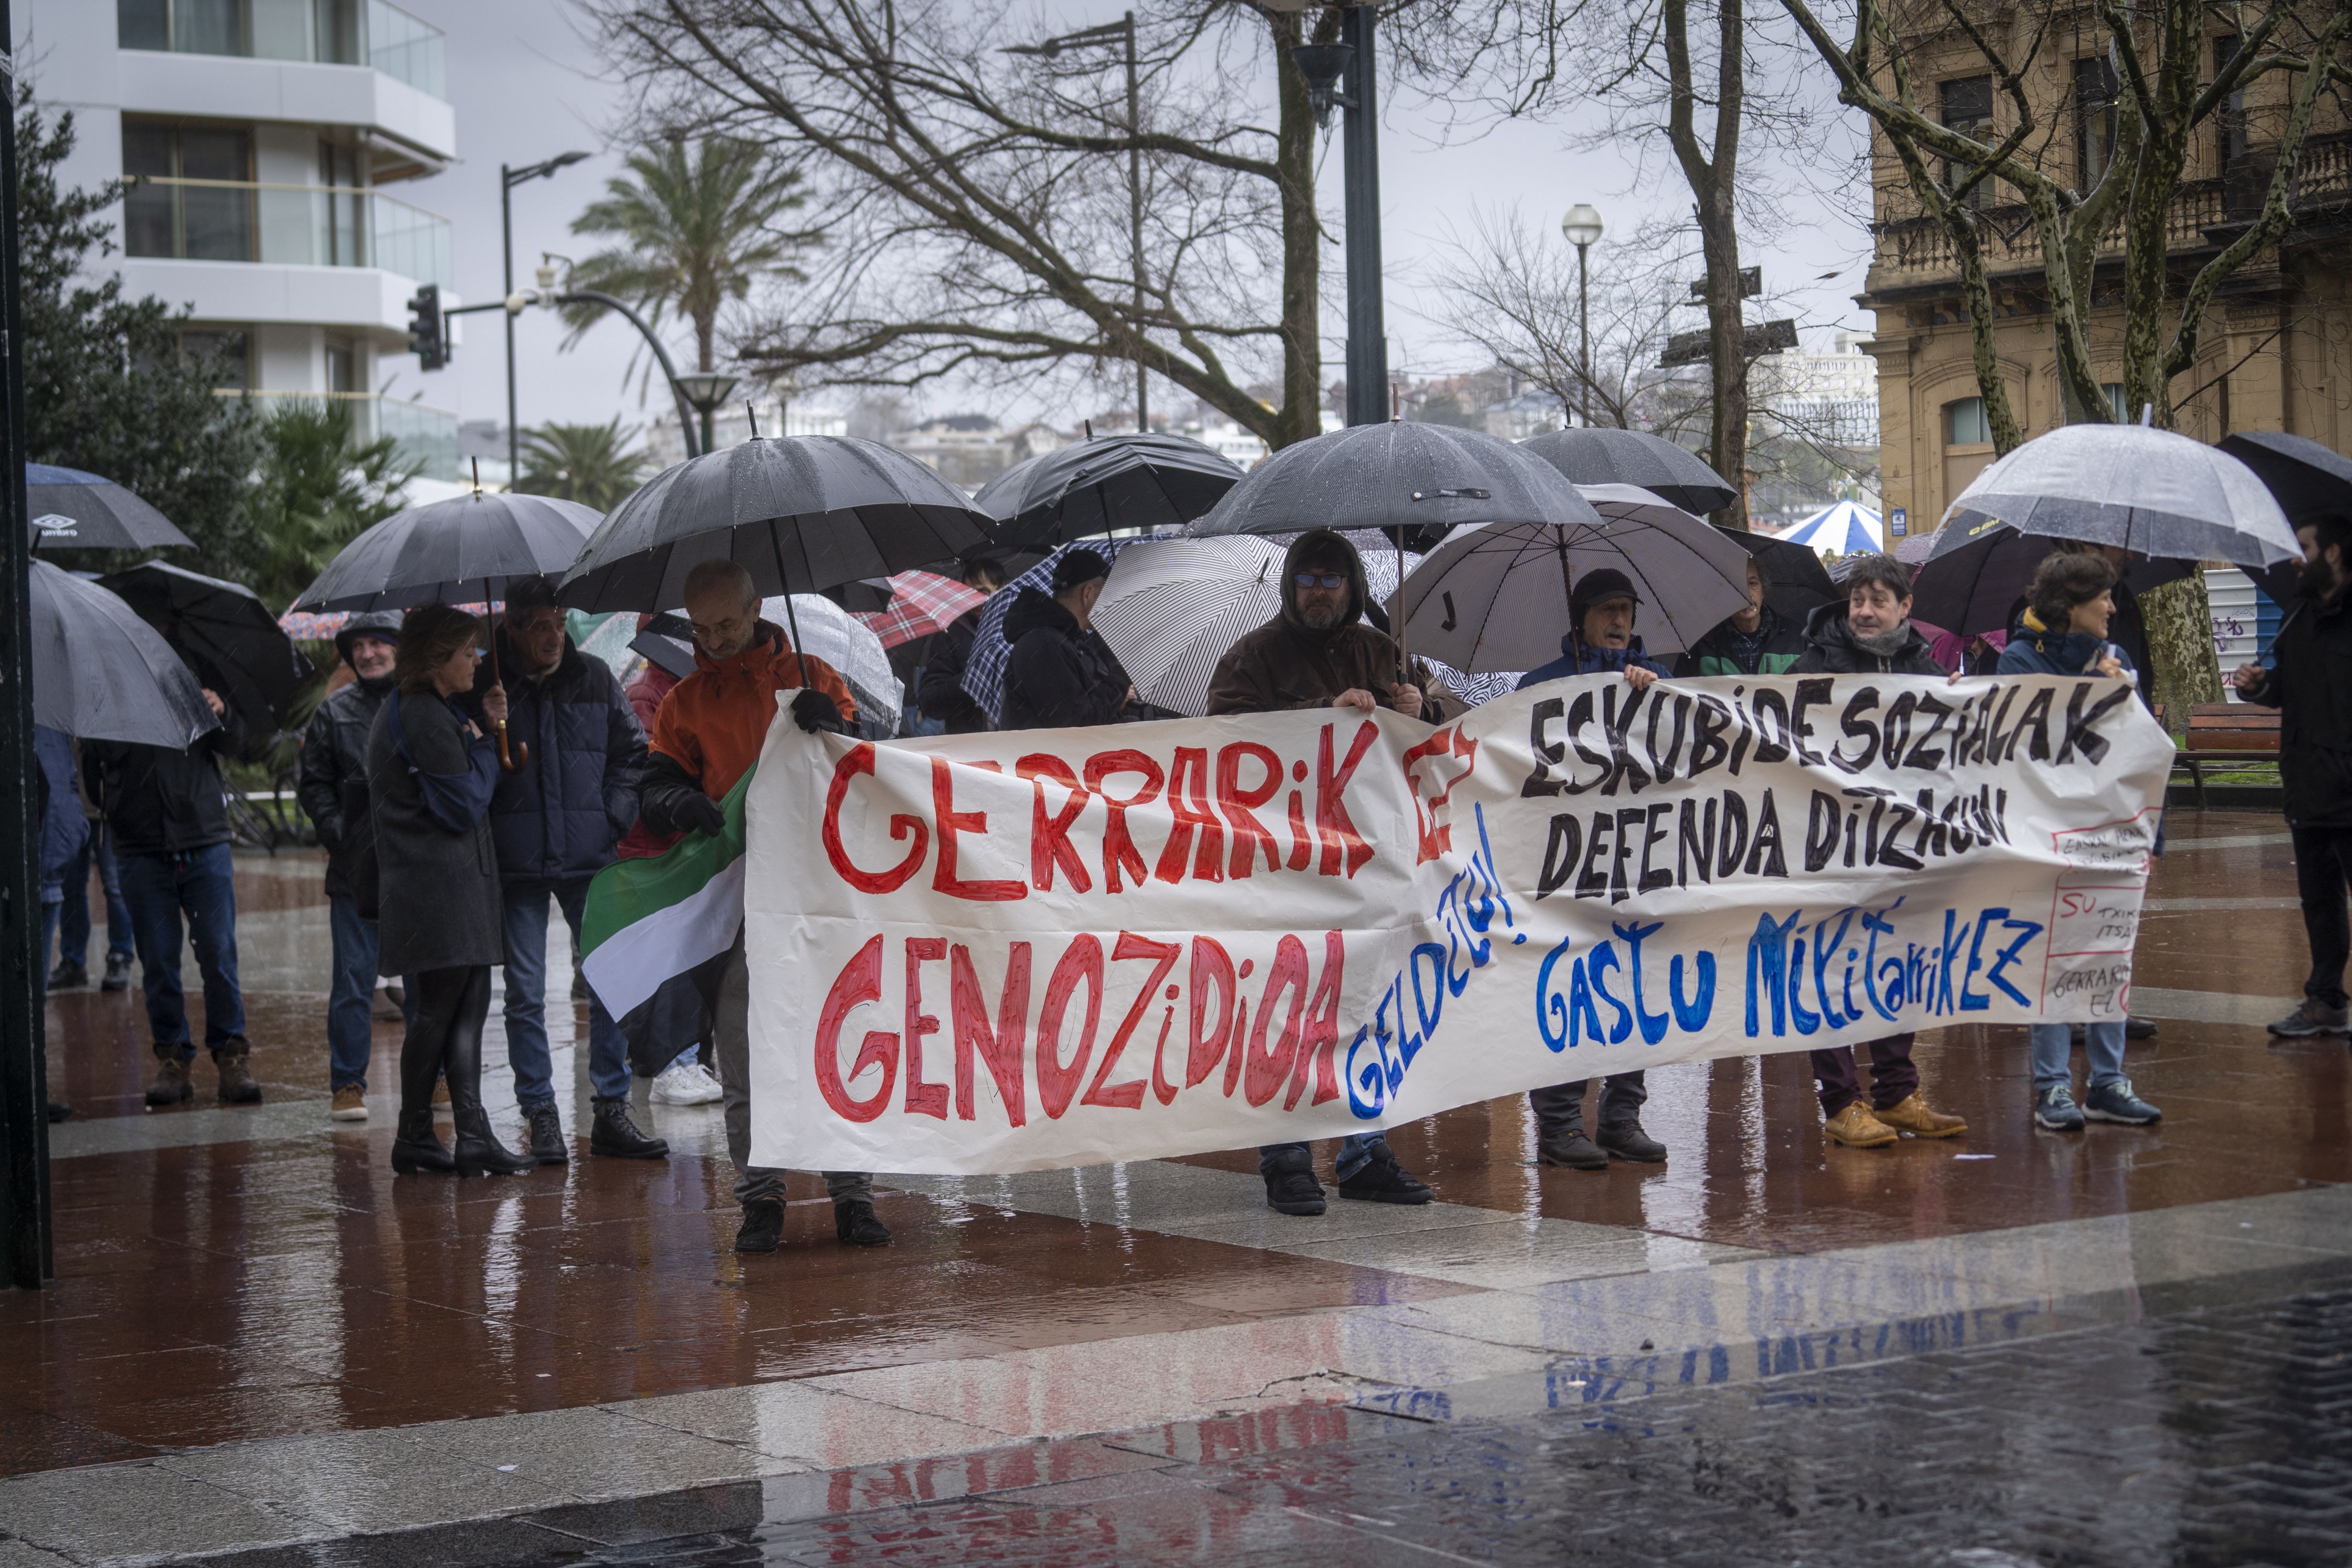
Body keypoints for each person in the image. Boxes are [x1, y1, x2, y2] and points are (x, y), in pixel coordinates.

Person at [637, 559, 891, 1253]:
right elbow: (653, 787)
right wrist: (674, 800)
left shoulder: (812, 676)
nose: (715, 638)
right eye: (702, 627)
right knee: (744, 1052)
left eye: (726, 623)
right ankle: (761, 1200)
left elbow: (869, 766)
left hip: (820, 890)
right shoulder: (683, 702)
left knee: (843, 1040)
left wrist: (836, 722)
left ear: (754, 611)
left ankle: (854, 1196)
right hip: (737, 899)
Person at [1205, 528, 1435, 1216]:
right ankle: (1288, 1159)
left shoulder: (1385, 656)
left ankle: (1365, 1153)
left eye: (1332, 579)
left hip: (1374, 866)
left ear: (1353, 587)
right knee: (1290, 1012)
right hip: (1287, 870)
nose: (1319, 591)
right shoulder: (1253, 658)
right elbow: (1223, 738)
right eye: (1308, 578)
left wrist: (1422, 713)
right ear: (1290, 585)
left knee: (1369, 1011)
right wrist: (1318, 721)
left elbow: (1442, 746)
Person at [463, 577, 666, 1166]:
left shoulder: (595, 678)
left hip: (588, 856)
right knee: (525, 994)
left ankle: (610, 1108)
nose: (554, 637)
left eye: (559, 623)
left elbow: (632, 755)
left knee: (608, 981)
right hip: (517, 863)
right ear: (512, 630)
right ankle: (541, 1113)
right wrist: (484, 718)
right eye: (540, 626)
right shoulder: (484, 685)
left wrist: (611, 817)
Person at [1790, 554, 1969, 1147]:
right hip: (1829, 848)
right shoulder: (1809, 665)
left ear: (1905, 608)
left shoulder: (1925, 669)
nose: (1865, 612)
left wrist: (1963, 706)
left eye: (1878, 601)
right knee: (1829, 971)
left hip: (1898, 850)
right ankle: (1842, 1102)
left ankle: (1895, 1094)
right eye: (1857, 600)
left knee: (1902, 961)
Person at [1999, 553, 2163, 1129]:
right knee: (2053, 960)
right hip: (2047, 834)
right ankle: (2052, 1089)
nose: (2113, 608)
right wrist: (2092, 693)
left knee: (2109, 955)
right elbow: (2024, 750)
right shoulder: (2019, 658)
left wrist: (2124, 697)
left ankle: (2108, 1083)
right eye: (2103, 599)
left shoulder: (2112, 659)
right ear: (2071, 606)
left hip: (2109, 835)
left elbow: (2139, 753)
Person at [1518, 569, 1675, 1168]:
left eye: (1627, 612)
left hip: (1639, 865)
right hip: (1563, 871)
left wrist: (1649, 695)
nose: (1618, 622)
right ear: (1580, 617)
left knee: (1634, 990)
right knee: (1564, 989)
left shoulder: (1660, 682)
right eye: (1607, 610)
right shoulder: (1539, 687)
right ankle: (1558, 1126)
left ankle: (1622, 1116)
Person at [370, 605, 531, 1178]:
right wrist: (487, 744)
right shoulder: (422, 715)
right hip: (438, 889)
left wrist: (480, 728)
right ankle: (425, 1133)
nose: (478, 661)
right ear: (439, 659)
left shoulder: (431, 710)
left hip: (450, 885)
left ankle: (467, 1133)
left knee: (463, 1008)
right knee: (440, 1012)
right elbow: (462, 804)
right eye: (468, 652)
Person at [85, 652, 259, 1109]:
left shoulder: (193, 685)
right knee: (159, 964)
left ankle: (232, 1058)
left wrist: (221, 713)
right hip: (142, 852)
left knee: (219, 956)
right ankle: (172, 1060)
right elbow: (92, 775)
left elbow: (239, 745)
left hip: (204, 842)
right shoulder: (105, 698)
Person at [2234, 512, 2352, 1041]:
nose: (2292, 558)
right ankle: (2324, 1000)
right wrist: (2258, 685)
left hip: (2349, 784)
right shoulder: (2295, 616)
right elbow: (2287, 690)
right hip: (2307, 784)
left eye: (2302, 546)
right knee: (2319, 900)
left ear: (2333, 553)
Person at [296, 612, 407, 1122]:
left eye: (377, 644)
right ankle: (347, 1084)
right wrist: (341, 832)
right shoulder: (334, 712)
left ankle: (442, 1077)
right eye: (358, 646)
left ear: (397, 648)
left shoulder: (423, 702)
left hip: (418, 864)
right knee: (352, 982)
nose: (367, 654)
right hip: (355, 869)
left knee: (433, 979)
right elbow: (313, 783)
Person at [619, 637, 725, 1109]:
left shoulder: (682, 688)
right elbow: (651, 774)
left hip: (679, 846)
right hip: (657, 849)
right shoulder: (652, 693)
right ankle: (674, 1064)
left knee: (689, 960)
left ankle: (686, 1058)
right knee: (674, 963)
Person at [998, 549, 1133, 730]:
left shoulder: (1063, 640)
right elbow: (1077, 724)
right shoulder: (1045, 644)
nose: (1110, 604)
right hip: (1046, 756)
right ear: (1088, 594)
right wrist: (1120, 677)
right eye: (1107, 596)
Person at [48, 739, 132, 994]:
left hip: (106, 812)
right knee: (70, 889)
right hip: (69, 811)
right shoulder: (60, 715)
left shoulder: (103, 709)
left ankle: (120, 956)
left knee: (115, 887)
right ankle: (73, 961)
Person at [917, 556, 1006, 735]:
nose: (978, 602)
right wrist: (974, 678)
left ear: (1003, 590)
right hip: (969, 747)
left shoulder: (1020, 631)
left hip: (1016, 745)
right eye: (970, 595)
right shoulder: (951, 635)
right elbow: (931, 702)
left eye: (984, 592)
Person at [1675, 556, 1805, 678]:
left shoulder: (1796, 636)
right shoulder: (1702, 642)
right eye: (1737, 585)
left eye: (1753, 584)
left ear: (1763, 591)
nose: (1747, 594)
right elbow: (1678, 693)